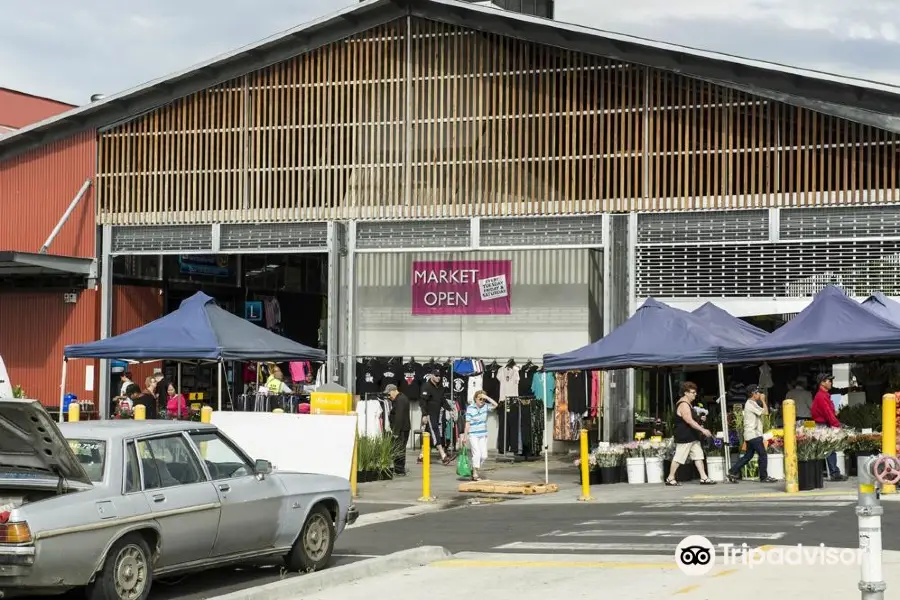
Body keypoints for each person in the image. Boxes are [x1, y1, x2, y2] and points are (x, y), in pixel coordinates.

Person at [666, 381, 715, 486]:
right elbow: (688, 420)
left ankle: (704, 477)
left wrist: (699, 418)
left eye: (695, 392)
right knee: (679, 457)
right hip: (685, 435)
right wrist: (703, 430)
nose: (695, 394)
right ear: (685, 393)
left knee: (698, 456)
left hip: (692, 435)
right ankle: (670, 478)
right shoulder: (683, 404)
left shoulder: (688, 404)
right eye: (692, 392)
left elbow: (691, 419)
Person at [727, 385, 777, 483]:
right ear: (753, 394)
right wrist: (763, 400)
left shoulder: (751, 403)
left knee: (748, 456)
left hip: (750, 435)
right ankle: (764, 477)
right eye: (758, 392)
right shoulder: (751, 403)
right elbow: (766, 412)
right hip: (754, 435)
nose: (760, 394)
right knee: (763, 454)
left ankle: (732, 471)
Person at [811, 373, 849, 482]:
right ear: (822, 383)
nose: (831, 382)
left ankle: (833, 473)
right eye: (829, 381)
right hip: (823, 425)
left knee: (827, 449)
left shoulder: (823, 395)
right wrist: (837, 425)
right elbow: (828, 413)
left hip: (823, 425)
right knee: (829, 449)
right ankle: (834, 474)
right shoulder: (821, 396)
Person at [459, 390, 498, 481]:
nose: (482, 401)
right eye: (480, 399)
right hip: (473, 435)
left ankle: (474, 468)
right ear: (475, 399)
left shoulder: (485, 406)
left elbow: (496, 405)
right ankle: (475, 473)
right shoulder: (470, 408)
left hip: (483, 434)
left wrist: (486, 397)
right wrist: (465, 437)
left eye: (483, 399)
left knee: (484, 455)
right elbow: (467, 424)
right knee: (477, 454)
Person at [418, 371, 452, 466]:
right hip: (429, 414)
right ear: (432, 376)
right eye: (436, 376)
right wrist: (424, 415)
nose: (438, 378)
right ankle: (443, 455)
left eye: (439, 376)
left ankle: (421, 456)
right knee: (435, 432)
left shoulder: (440, 387)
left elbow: (443, 400)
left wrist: (450, 409)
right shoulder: (426, 386)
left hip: (437, 414)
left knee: (428, 434)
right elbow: (422, 402)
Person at [384, 384, 411, 475]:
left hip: (401, 430)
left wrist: (396, 432)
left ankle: (400, 470)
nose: (389, 396)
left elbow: (399, 416)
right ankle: (398, 468)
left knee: (399, 449)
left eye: (389, 394)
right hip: (401, 429)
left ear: (393, 391)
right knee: (398, 449)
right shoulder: (400, 398)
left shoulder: (400, 400)